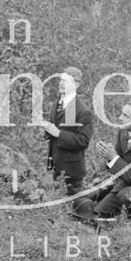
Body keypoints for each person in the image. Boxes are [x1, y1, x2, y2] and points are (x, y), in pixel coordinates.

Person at [75, 101, 131, 220]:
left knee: (123, 195)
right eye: (122, 114)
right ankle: (113, 213)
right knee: (91, 208)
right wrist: (108, 156)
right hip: (125, 182)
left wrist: (113, 158)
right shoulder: (123, 132)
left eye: (125, 116)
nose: (120, 118)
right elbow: (117, 162)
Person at [40, 67, 94, 195]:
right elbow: (55, 131)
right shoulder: (56, 104)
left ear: (76, 85)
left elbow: (83, 141)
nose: (61, 83)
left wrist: (58, 133)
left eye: (66, 81)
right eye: (61, 80)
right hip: (56, 167)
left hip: (72, 170)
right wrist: (47, 129)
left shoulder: (83, 111)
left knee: (74, 208)